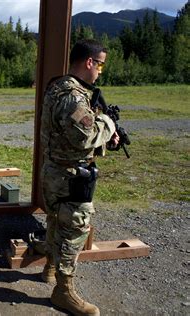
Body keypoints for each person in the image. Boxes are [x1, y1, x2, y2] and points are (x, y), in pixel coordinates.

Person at [39, 39, 119, 315]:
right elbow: (85, 136)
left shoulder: (58, 86)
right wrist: (109, 123)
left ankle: (50, 269)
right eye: (100, 65)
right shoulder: (72, 95)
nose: (100, 71)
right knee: (73, 230)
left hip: (54, 171)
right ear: (89, 62)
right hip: (69, 176)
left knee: (55, 221)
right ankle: (63, 292)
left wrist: (105, 133)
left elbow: (69, 134)